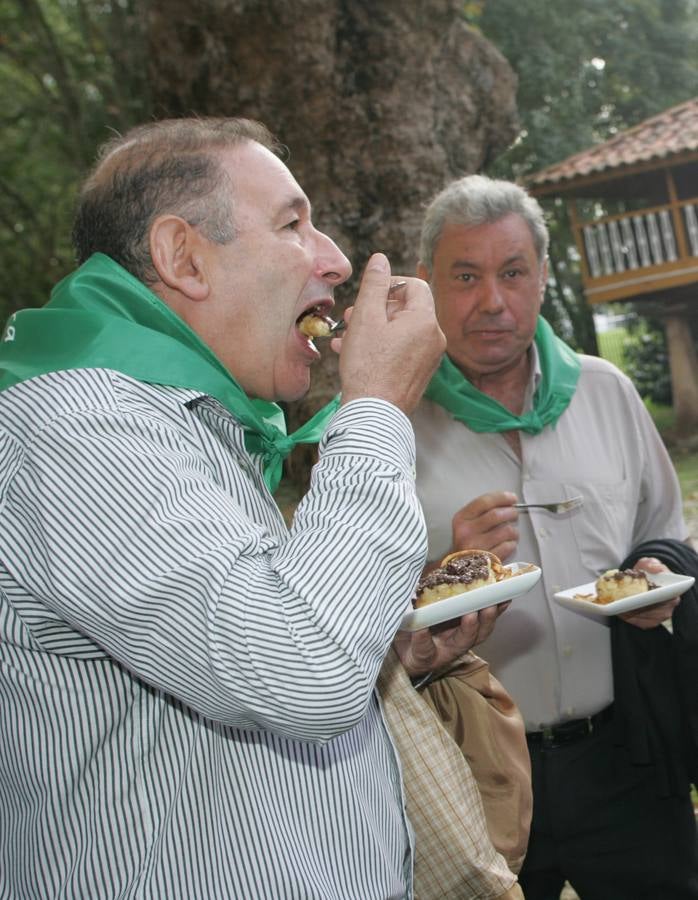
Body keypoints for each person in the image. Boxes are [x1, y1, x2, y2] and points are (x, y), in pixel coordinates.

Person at [0, 116, 456, 898]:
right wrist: (375, 406)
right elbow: (301, 670)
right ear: (184, 258)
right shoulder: (78, 428)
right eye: (292, 223)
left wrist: (386, 651)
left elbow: (231, 648)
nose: (337, 260)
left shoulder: (183, 419)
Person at [410, 173, 698, 900]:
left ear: (542, 276)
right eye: (465, 276)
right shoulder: (389, 425)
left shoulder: (605, 390)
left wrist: (653, 582)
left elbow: (665, 532)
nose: (492, 302)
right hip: (474, 764)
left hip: (626, 754)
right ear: (429, 285)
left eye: (512, 272)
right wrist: (447, 568)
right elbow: (344, 608)